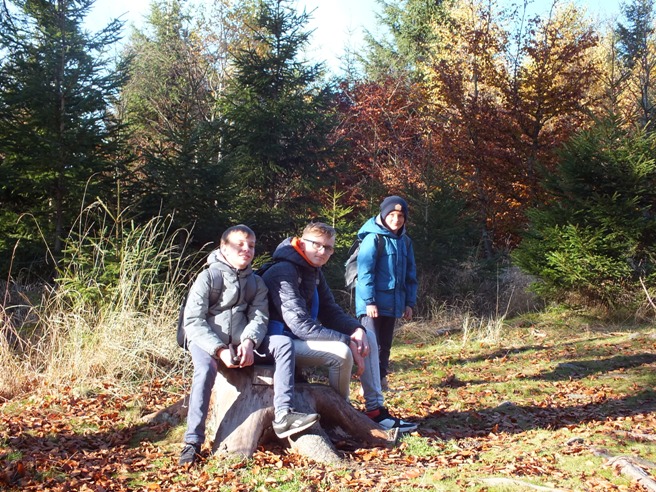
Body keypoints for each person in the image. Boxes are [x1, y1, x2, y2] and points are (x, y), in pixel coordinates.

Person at [179, 225, 319, 466]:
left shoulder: (256, 282)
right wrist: (219, 350)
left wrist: (249, 341)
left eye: (251, 245)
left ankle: (283, 414)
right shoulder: (208, 278)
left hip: (241, 342)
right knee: (204, 370)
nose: (247, 249)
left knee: (283, 344)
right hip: (207, 341)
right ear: (224, 247)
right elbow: (193, 321)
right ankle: (192, 441)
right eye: (240, 244)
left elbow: (259, 317)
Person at [260, 222, 417, 432]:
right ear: (302, 243)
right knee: (341, 353)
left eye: (328, 248)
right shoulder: (283, 271)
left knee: (367, 335)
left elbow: (330, 311)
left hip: (296, 337)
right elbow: (299, 325)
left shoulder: (313, 271)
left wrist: (355, 330)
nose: (322, 251)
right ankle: (342, 417)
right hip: (277, 342)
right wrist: (346, 340)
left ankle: (375, 411)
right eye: (316, 244)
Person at [355, 196, 418, 391]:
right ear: (383, 215)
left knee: (385, 345)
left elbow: (410, 275)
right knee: (369, 345)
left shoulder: (405, 242)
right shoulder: (373, 238)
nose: (396, 220)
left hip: (393, 303)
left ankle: (381, 380)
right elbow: (365, 273)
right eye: (391, 215)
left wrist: (409, 303)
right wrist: (369, 301)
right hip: (372, 304)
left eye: (400, 216)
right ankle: (368, 385)